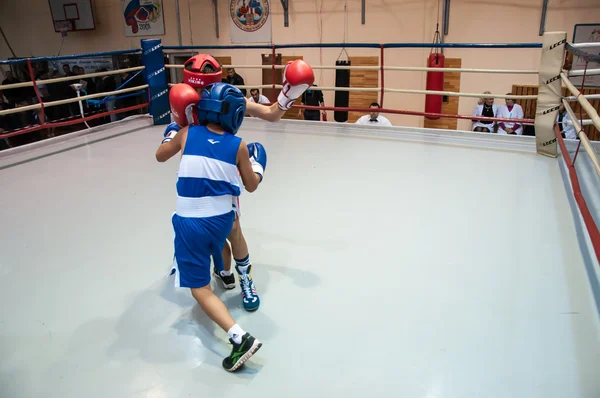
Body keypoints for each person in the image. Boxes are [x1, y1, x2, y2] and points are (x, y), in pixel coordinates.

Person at [171, 54, 314, 312]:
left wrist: (288, 95)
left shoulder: (226, 97)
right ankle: (193, 260)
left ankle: (246, 280)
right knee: (188, 216)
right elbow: (174, 136)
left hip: (224, 168)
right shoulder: (185, 100)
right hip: (193, 173)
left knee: (233, 228)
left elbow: (271, 114)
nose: (201, 93)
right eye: (197, 88)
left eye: (204, 87)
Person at [157, 81, 268, 372]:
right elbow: (252, 186)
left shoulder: (186, 133)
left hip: (191, 224)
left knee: (199, 289)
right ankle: (229, 276)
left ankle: (239, 338)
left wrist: (170, 131)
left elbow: (160, 155)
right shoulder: (239, 145)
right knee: (224, 237)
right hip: (222, 222)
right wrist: (258, 167)